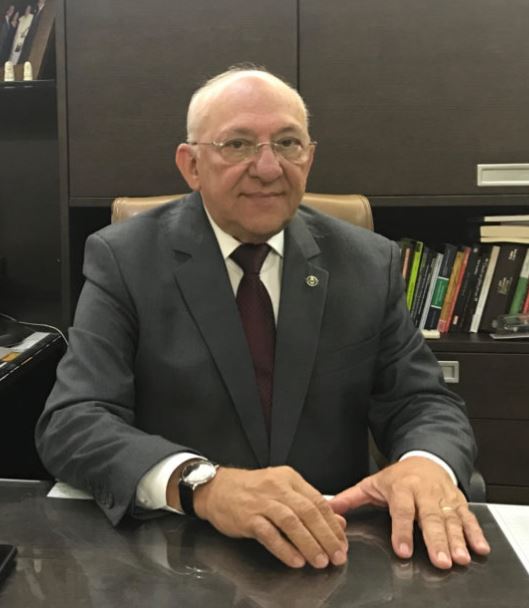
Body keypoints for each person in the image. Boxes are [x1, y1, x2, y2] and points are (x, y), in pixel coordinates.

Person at [36, 66, 490, 571]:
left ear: (309, 157)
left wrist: (425, 465)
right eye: (238, 145)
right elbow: (74, 421)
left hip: (335, 546)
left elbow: (421, 401)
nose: (269, 168)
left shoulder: (367, 262)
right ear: (191, 165)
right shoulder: (124, 259)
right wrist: (203, 485)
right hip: (180, 550)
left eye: (288, 143)